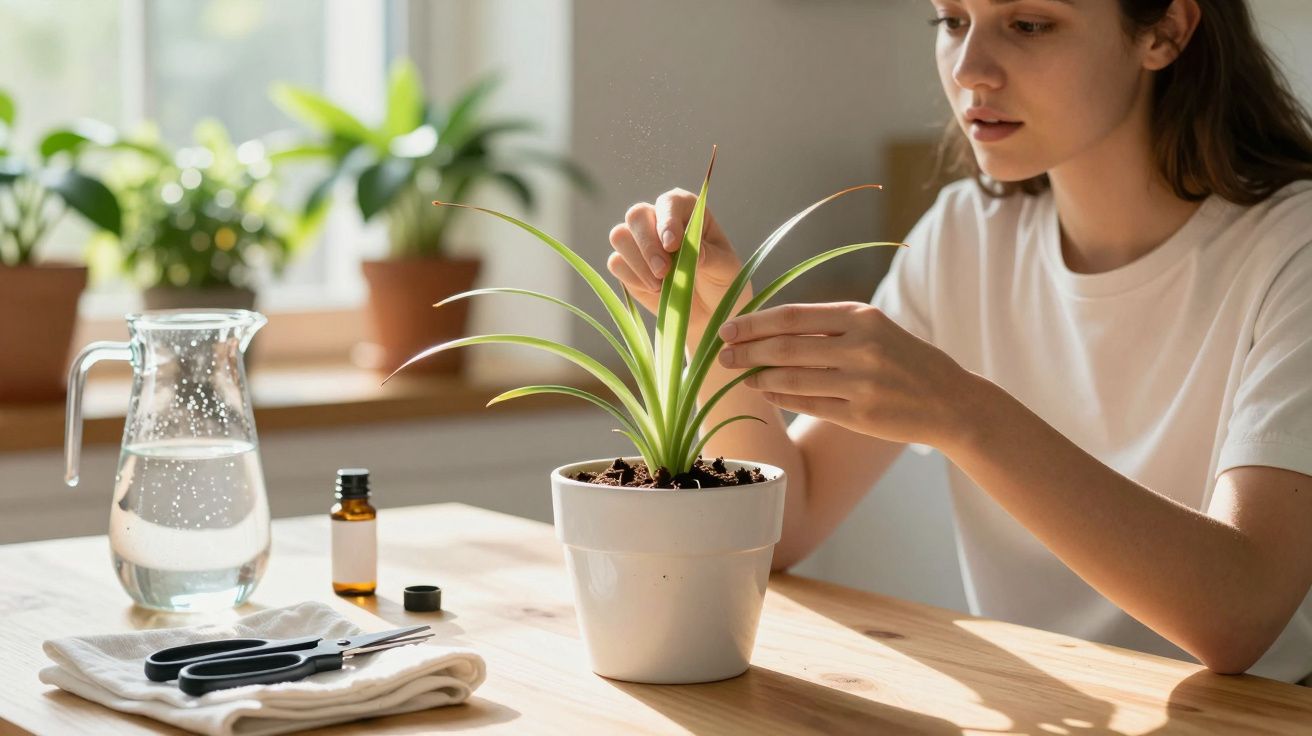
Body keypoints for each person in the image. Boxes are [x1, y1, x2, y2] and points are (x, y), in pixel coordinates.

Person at [605, 0, 1312, 683]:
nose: (971, 68)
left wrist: (963, 413)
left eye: (1029, 24)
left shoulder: (1292, 248)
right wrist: (707, 321)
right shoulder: (966, 233)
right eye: (952, 21)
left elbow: (1241, 615)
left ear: (1164, 31)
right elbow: (788, 523)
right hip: (1045, 704)